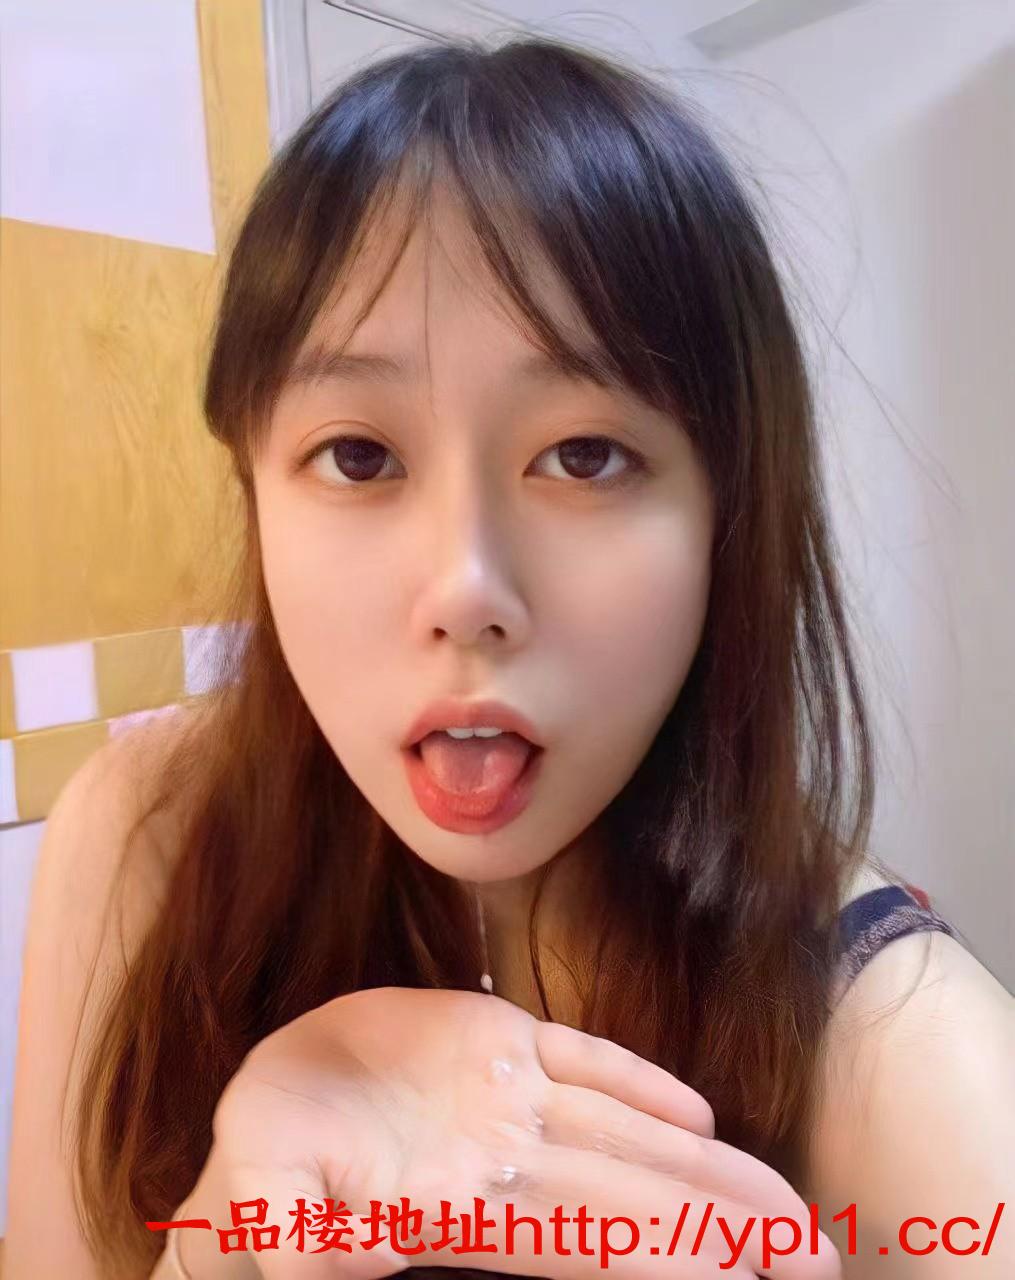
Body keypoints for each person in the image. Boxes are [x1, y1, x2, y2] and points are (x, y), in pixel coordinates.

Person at [6, 33, 1013, 1280]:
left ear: (728, 511)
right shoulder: (146, 833)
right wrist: (225, 1245)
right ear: (252, 485)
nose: (466, 590)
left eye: (584, 455)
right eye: (359, 455)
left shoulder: (909, 1063)